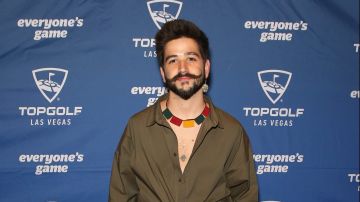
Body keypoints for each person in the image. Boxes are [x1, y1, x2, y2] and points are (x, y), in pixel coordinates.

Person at [109, 19, 258, 202]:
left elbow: (245, 196)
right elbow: (120, 196)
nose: (182, 68)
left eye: (191, 58)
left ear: (206, 67)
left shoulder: (231, 131)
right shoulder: (137, 128)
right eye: (173, 60)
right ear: (163, 73)